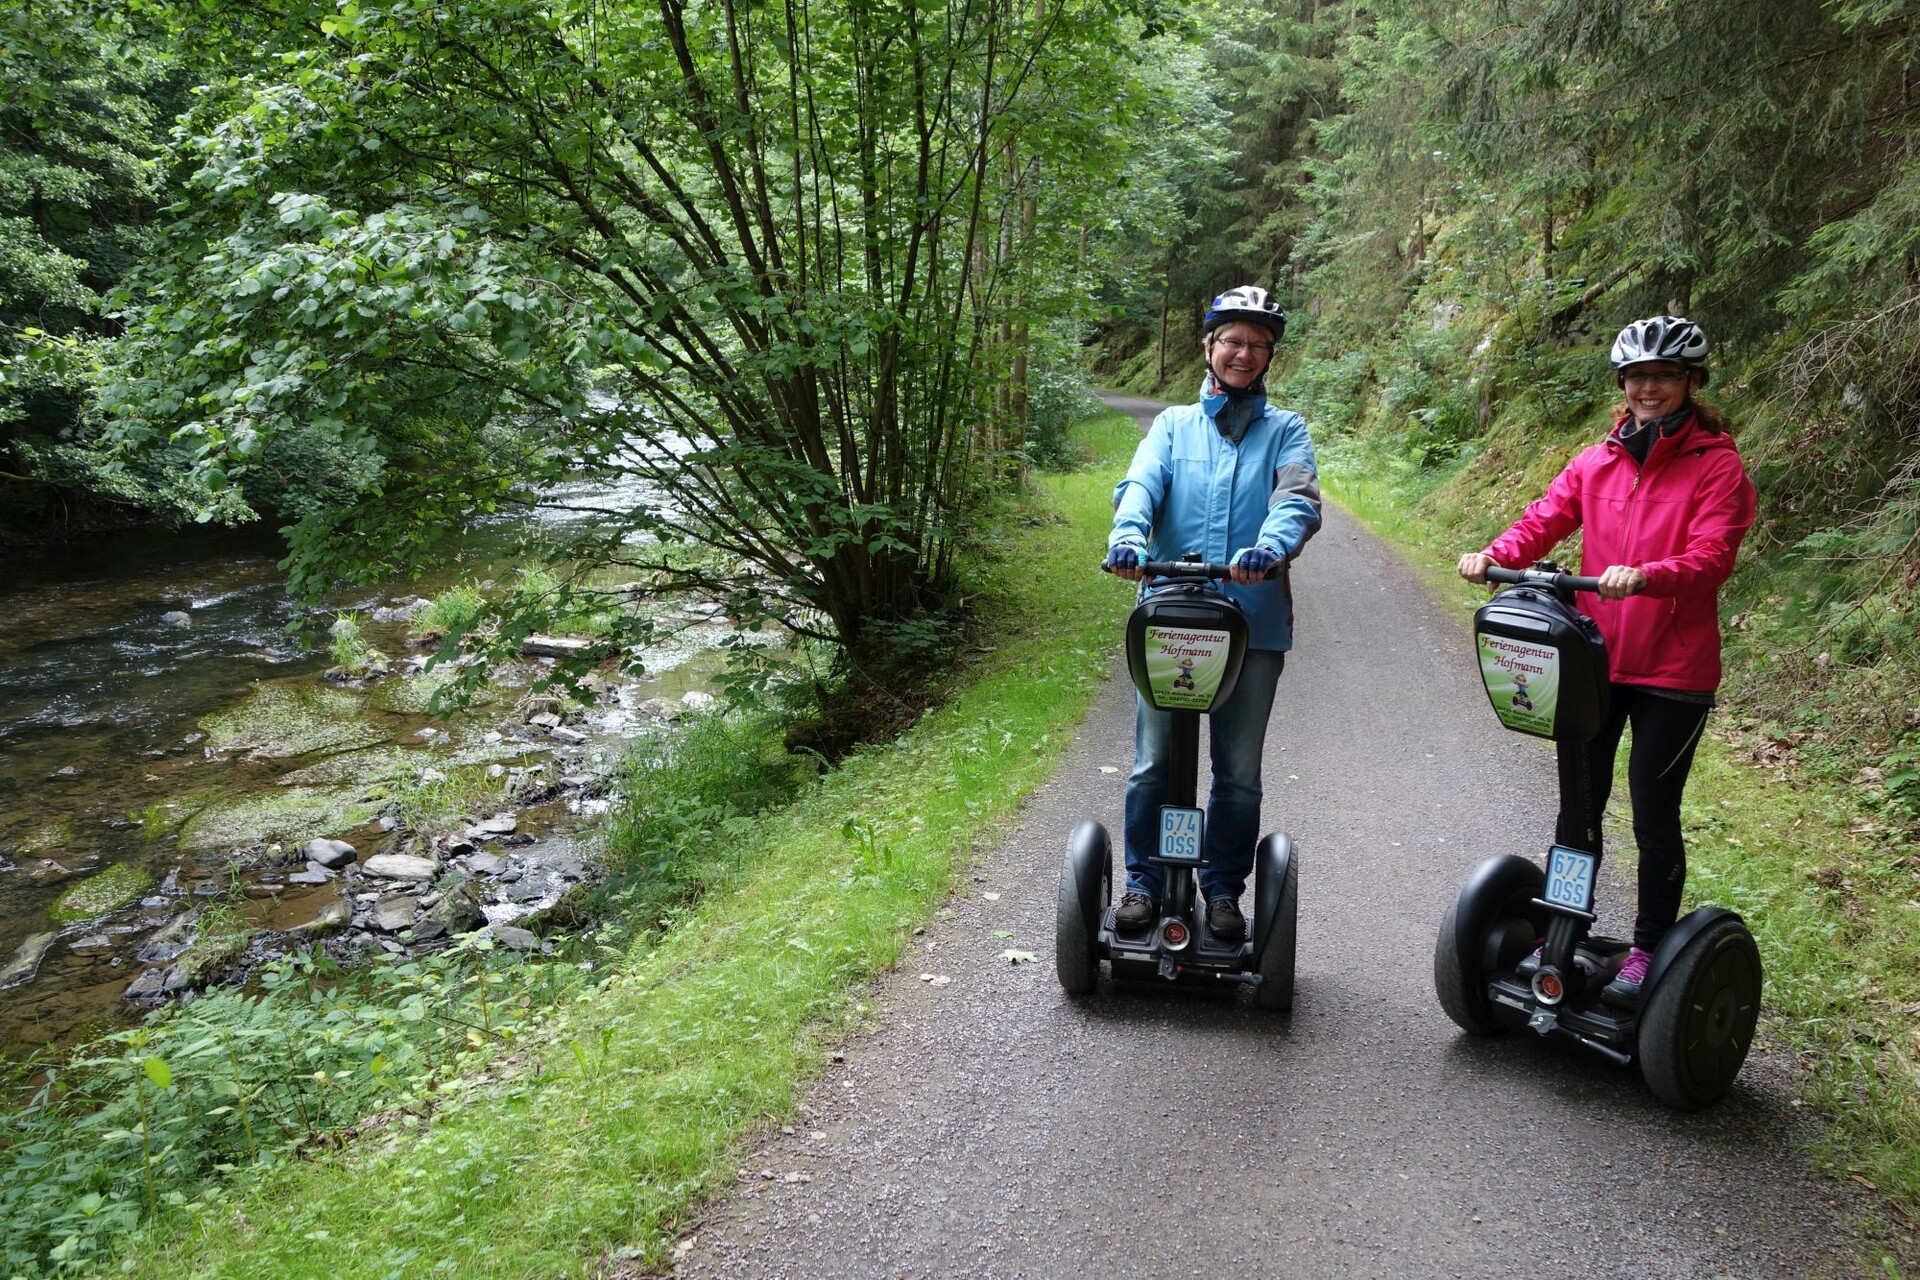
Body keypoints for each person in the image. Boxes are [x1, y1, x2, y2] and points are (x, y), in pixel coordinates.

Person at [1458, 315, 1757, 1003]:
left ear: (1690, 383)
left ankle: (1648, 951)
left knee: (1653, 811)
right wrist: (1497, 556)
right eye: (1638, 377)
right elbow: (1546, 517)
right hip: (1593, 659)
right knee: (1579, 806)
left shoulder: (1718, 466)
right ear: (1623, 384)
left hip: (1673, 673)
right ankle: (1564, 926)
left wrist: (1649, 574)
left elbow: (1714, 555)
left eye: (1664, 376)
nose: (1650, 388)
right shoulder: (1601, 458)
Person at [1104, 285, 1322, 940]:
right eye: (1232, 340)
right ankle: (1143, 883)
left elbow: (1297, 497)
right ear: (1209, 347)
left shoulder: (1286, 430)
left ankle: (1222, 890)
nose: (1244, 353)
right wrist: (1129, 538)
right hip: (1172, 616)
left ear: (1269, 356)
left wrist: (1270, 546)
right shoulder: (1172, 424)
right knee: (1154, 759)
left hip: (1252, 622)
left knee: (1239, 772)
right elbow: (1141, 483)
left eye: (1258, 344)